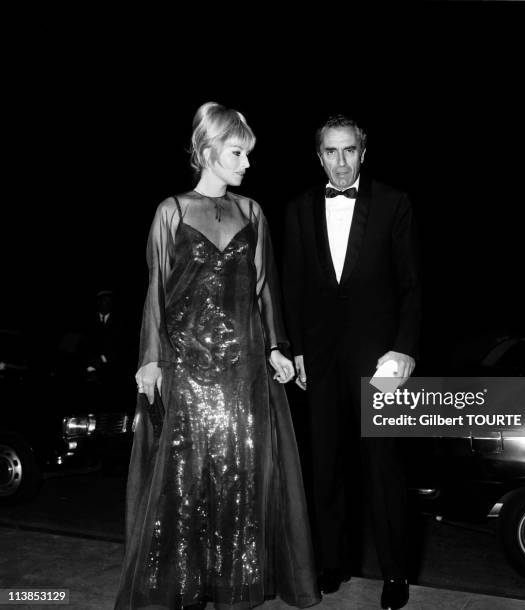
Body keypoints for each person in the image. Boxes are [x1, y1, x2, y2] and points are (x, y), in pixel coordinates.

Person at [115, 102, 320, 610]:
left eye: (247, 154)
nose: (247, 163)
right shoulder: (173, 210)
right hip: (188, 367)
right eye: (238, 152)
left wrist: (276, 346)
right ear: (207, 152)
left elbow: (266, 288)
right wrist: (151, 359)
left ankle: (234, 586)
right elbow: (155, 293)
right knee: (184, 482)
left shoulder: (253, 211)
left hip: (244, 369)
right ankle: (182, 586)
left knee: (242, 478)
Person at [282, 114, 421, 610]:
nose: (341, 163)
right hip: (319, 359)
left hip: (379, 360)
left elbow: (411, 285)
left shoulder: (393, 202)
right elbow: (292, 285)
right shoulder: (299, 208)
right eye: (331, 152)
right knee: (327, 467)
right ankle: (332, 563)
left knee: (383, 468)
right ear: (318, 156)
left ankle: (396, 572)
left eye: (349, 151)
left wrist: (404, 347)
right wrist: (295, 347)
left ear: (364, 151)